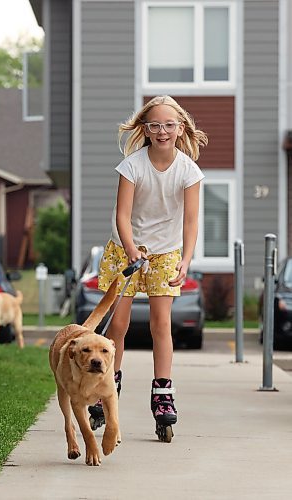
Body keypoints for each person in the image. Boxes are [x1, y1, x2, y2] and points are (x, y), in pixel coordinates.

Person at [88, 95, 208, 440]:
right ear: (145, 129)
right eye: (155, 125)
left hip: (166, 251)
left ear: (180, 128)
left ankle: (163, 395)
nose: (162, 131)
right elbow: (122, 215)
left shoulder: (188, 170)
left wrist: (186, 259)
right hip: (126, 248)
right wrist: (130, 250)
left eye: (169, 125)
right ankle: (107, 385)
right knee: (119, 324)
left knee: (160, 325)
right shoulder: (133, 165)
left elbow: (190, 220)